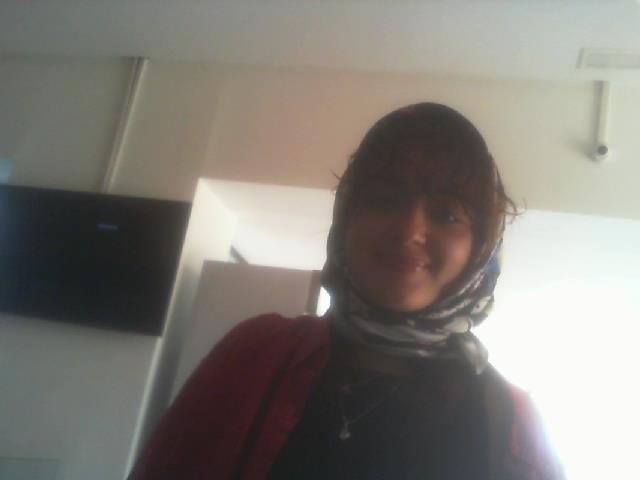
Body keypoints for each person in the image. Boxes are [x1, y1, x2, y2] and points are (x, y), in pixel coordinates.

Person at [128, 103, 565, 479]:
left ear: (481, 247)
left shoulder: (511, 423)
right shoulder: (254, 352)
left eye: (447, 213)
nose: (409, 230)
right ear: (347, 218)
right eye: (384, 199)